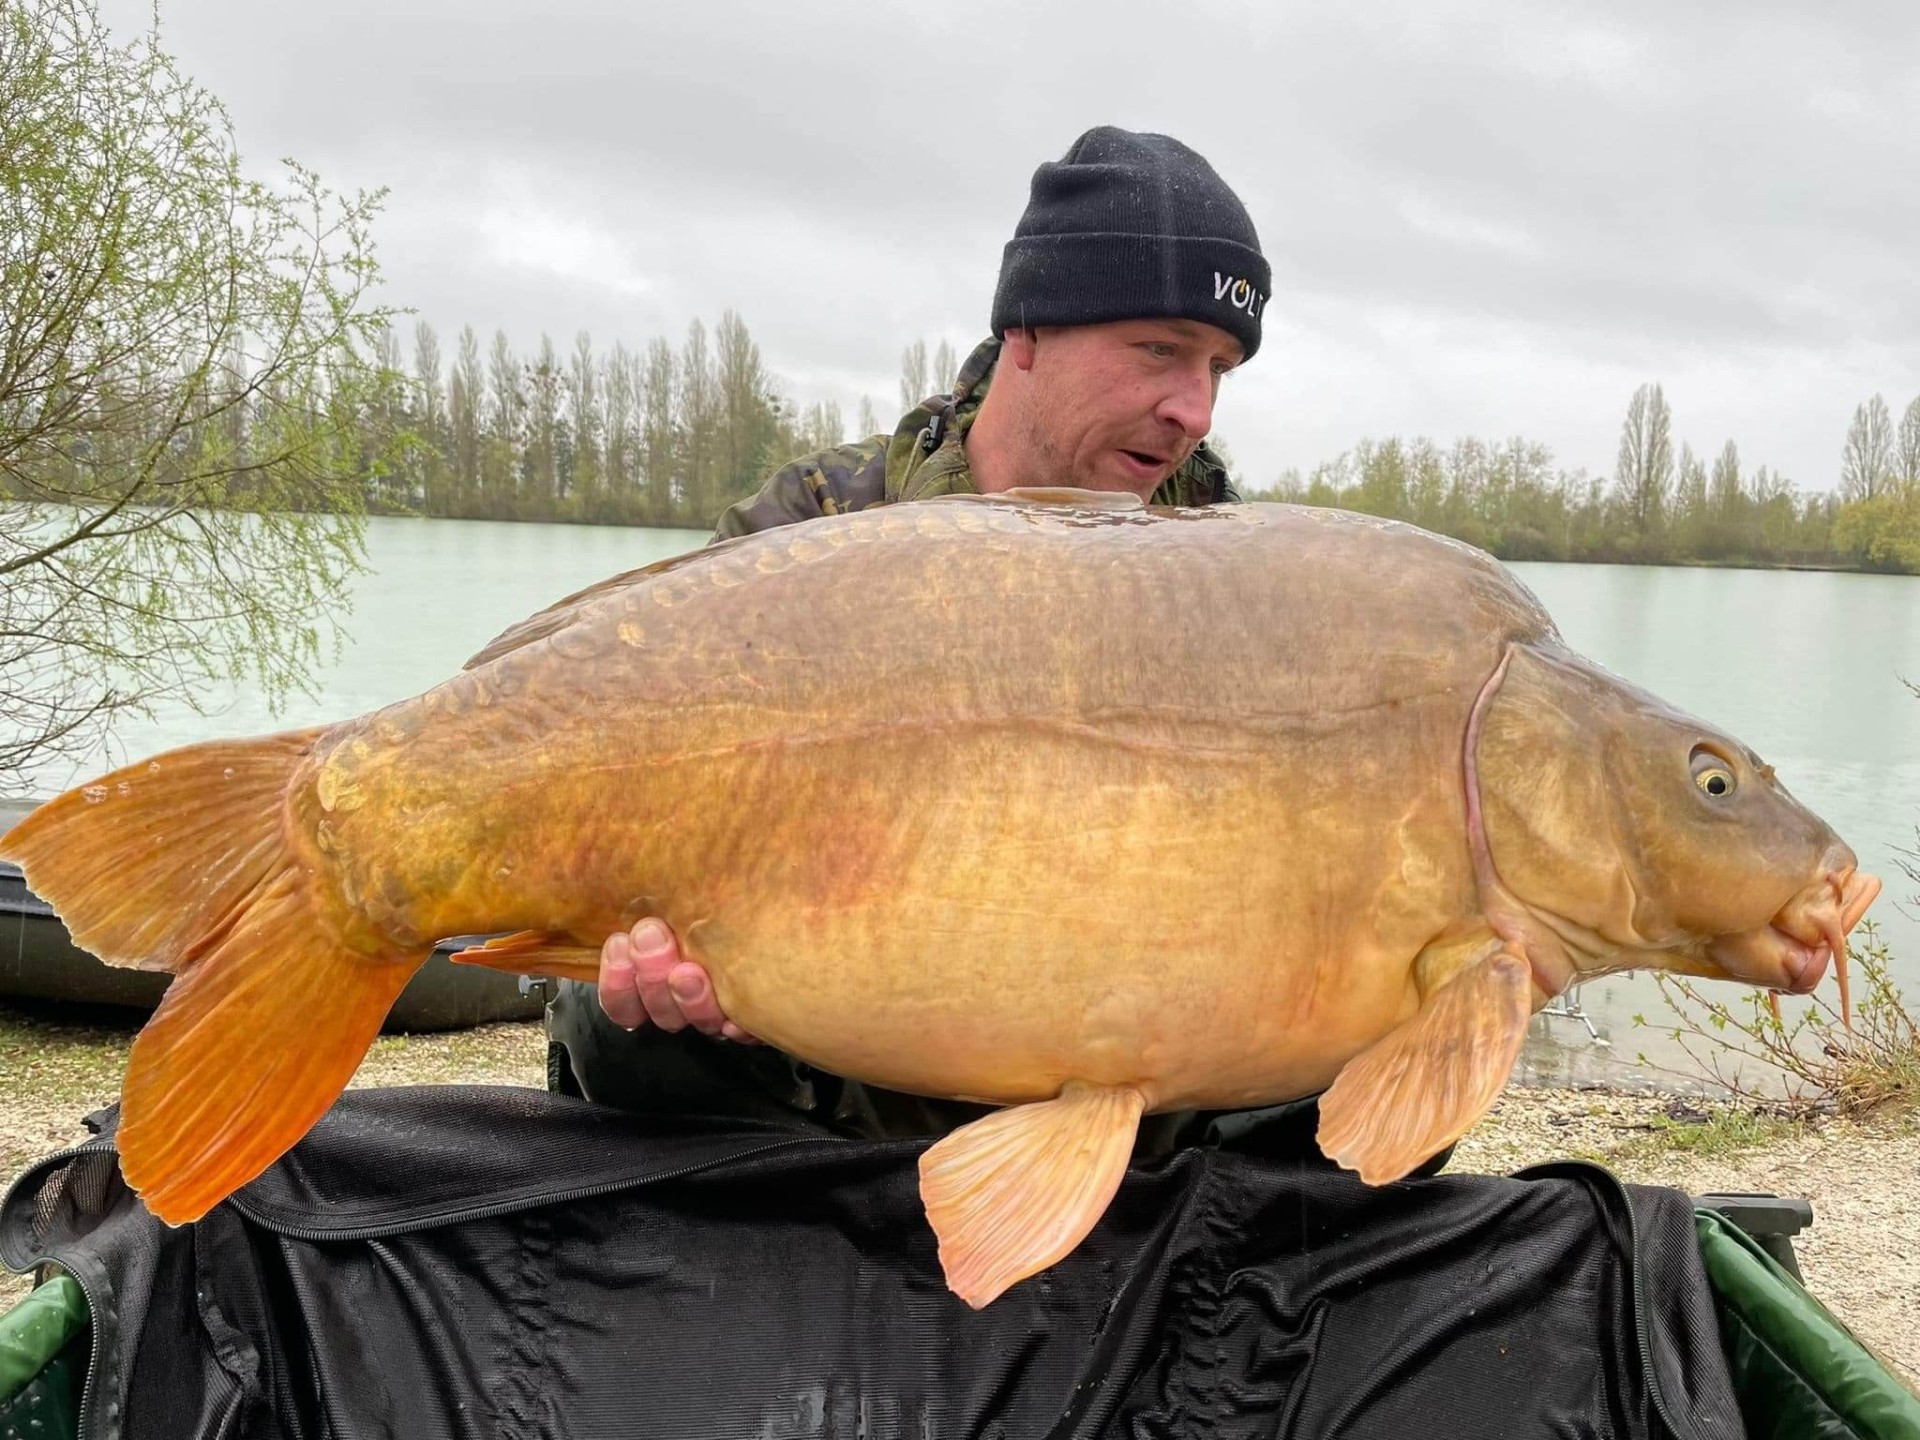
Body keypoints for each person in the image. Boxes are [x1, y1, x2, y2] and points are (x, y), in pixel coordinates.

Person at [544, 123, 1278, 1155]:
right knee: (615, 1018)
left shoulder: (1243, 583)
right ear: (1028, 329)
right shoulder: (814, 529)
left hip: (1134, 1069)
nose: (1192, 409)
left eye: (1219, 367)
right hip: (844, 1081)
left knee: (1383, 1052)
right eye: (1160, 350)